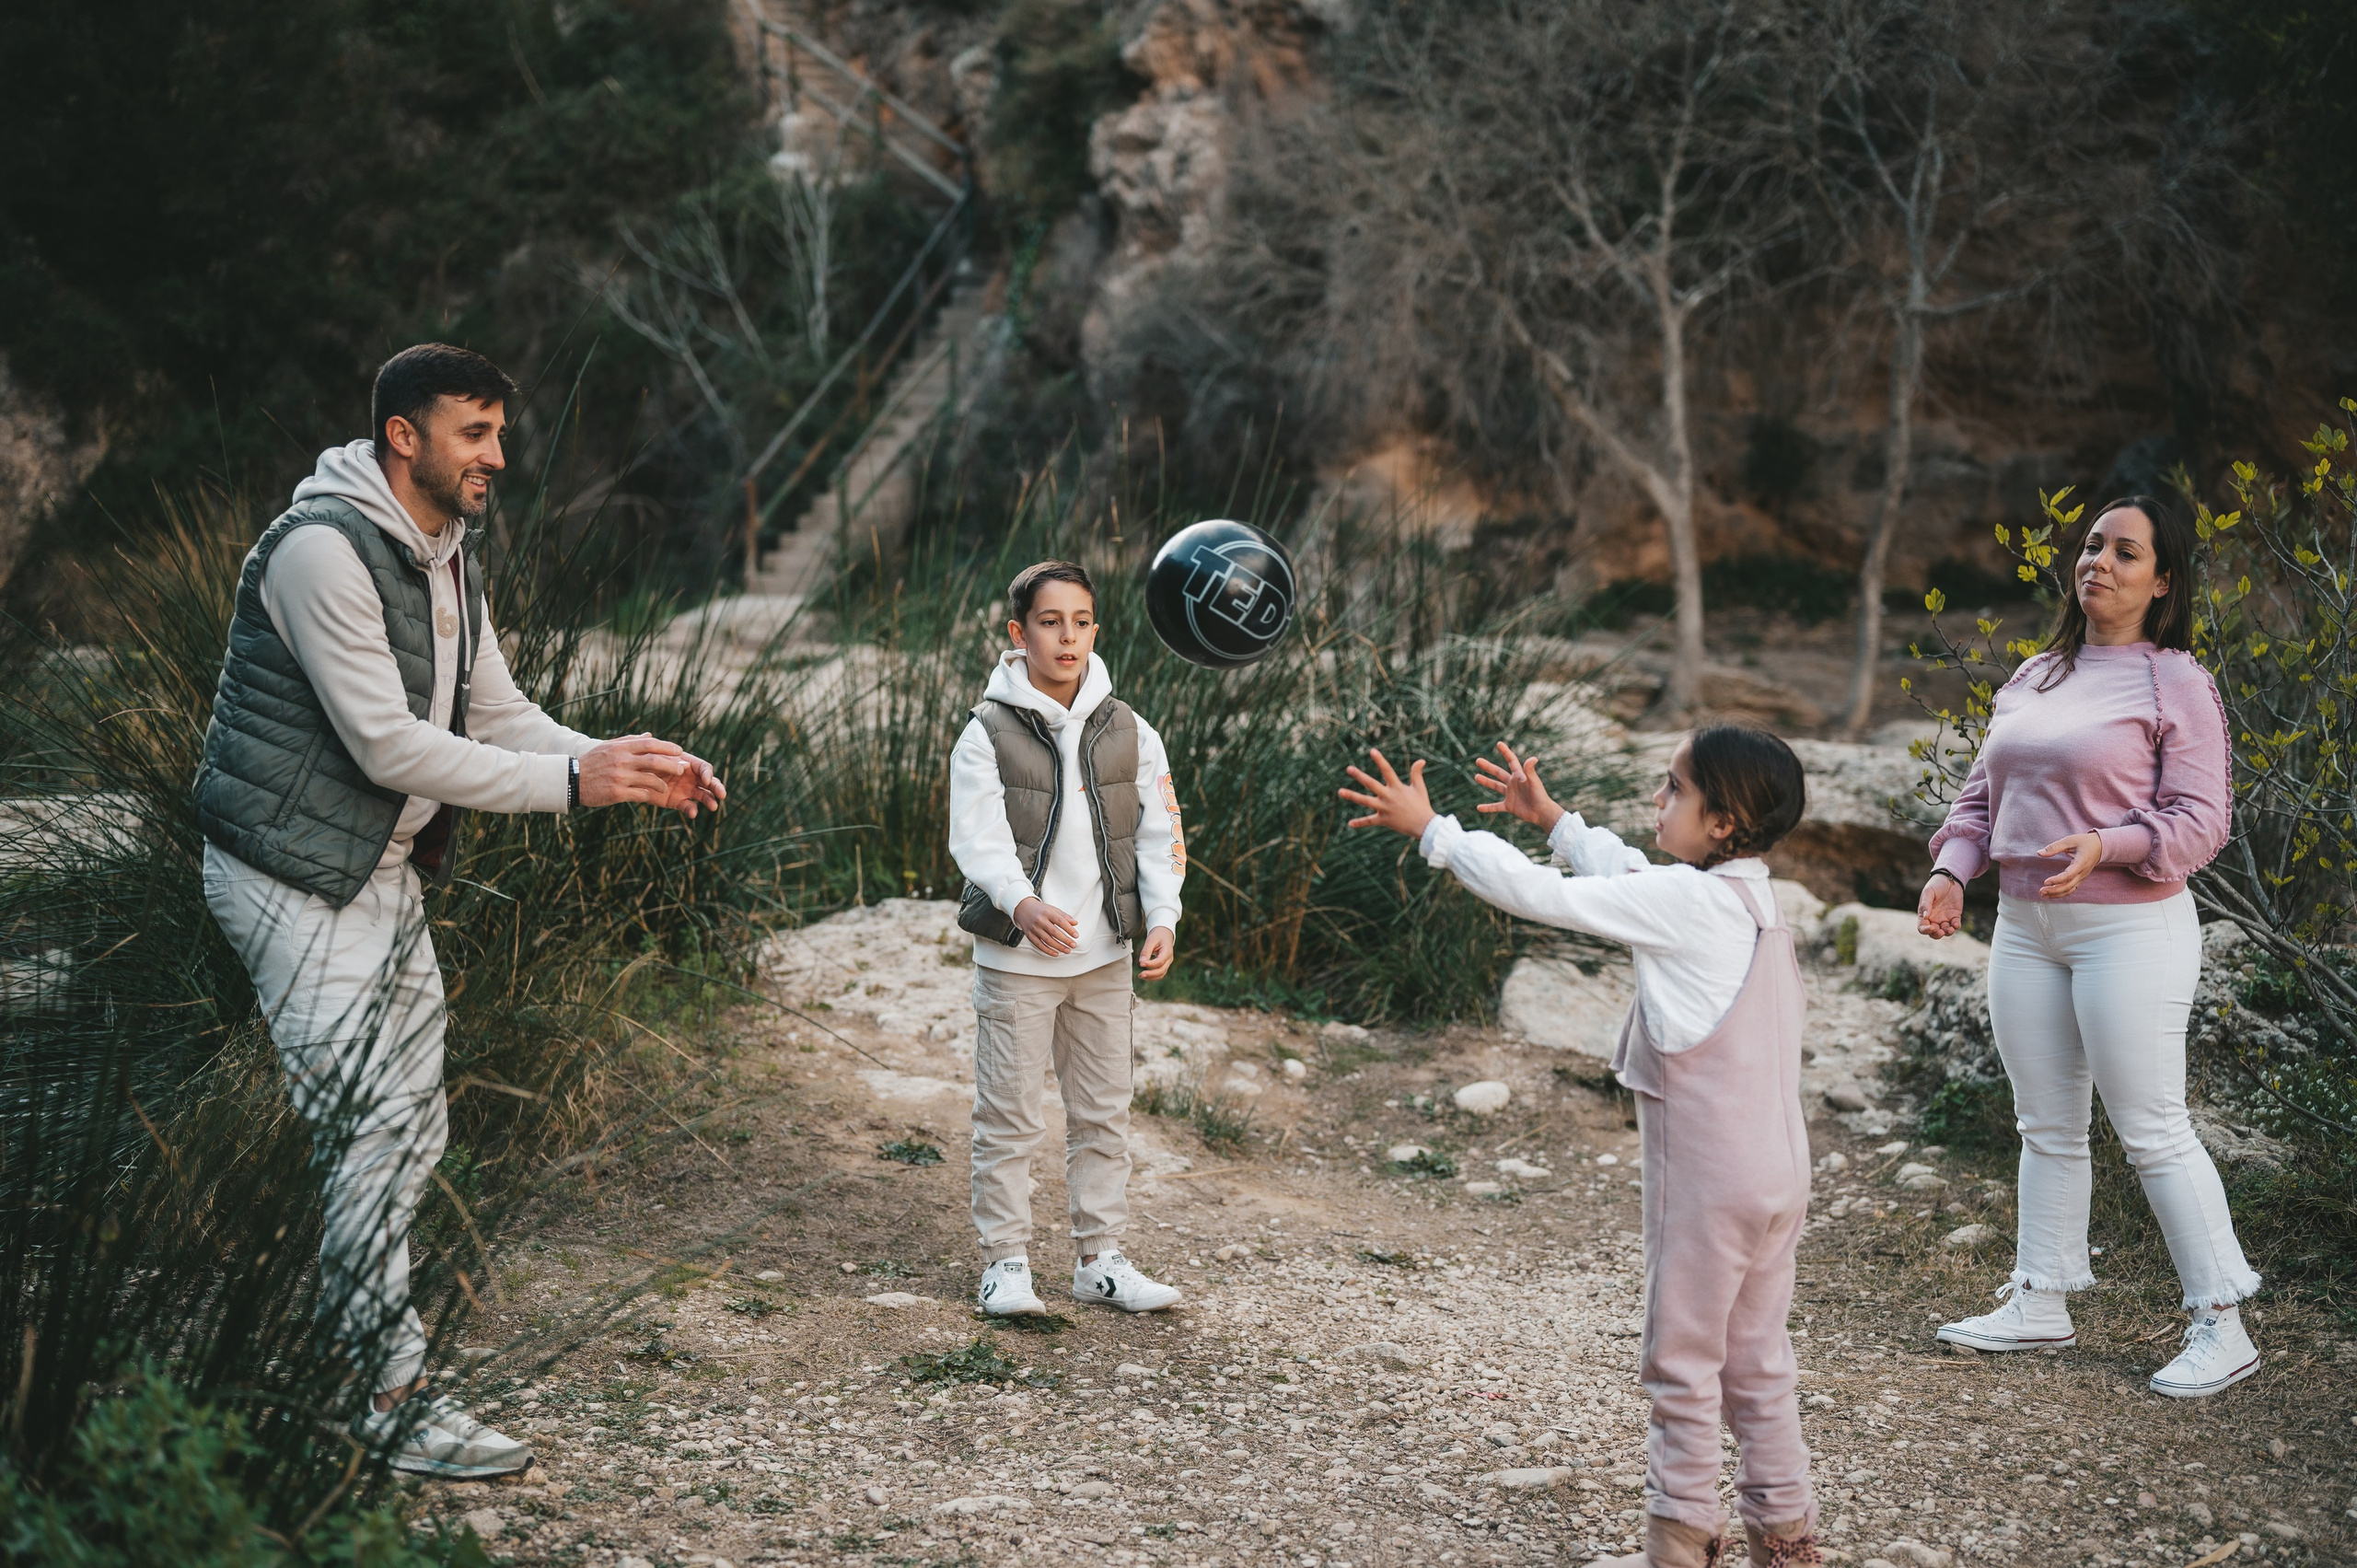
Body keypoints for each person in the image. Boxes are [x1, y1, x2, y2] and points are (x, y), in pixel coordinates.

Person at [193, 343, 725, 1477]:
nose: (498, 456)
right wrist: (571, 785)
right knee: (369, 1129)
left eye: (500, 433)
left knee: (412, 1123)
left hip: (378, 876)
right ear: (404, 435)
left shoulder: (442, 552)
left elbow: (496, 712)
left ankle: (346, 1347)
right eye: (474, 433)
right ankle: (385, 1395)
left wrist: (621, 759)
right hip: (291, 877)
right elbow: (387, 746)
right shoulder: (321, 550)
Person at [1341, 727, 1820, 1568]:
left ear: (1723, 821)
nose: (1658, 799)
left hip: (1711, 1184)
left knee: (1681, 1358)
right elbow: (1628, 875)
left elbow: (1546, 895)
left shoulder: (1687, 903)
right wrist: (1556, 820)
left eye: (1675, 788)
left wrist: (1437, 832)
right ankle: (1785, 1538)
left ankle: (1679, 1547)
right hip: (1781, 1178)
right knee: (1756, 1359)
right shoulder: (1753, 901)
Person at [1917, 495, 2255, 1397]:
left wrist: (2108, 845)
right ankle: (2040, 1298)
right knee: (2044, 1123)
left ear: (2163, 581)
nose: (2098, 561)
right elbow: (1980, 797)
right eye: (2093, 544)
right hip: (2024, 928)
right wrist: (1951, 870)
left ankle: (2221, 1322)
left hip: (2128, 929)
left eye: (2125, 551)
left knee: (2151, 1127)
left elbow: (2202, 819)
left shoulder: (2174, 680)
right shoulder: (2036, 673)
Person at [946, 560, 1188, 1316]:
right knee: (1009, 1117)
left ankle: (1099, 1259)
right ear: (1019, 633)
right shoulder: (985, 732)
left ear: (1095, 630)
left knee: (1103, 1112)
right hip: (1018, 959)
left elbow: (1161, 832)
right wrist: (1020, 904)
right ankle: (1005, 1263)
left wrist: (1163, 916)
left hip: (1104, 958)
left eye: (1081, 622)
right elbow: (977, 839)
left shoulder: (1132, 731)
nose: (1068, 637)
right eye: (1050, 622)